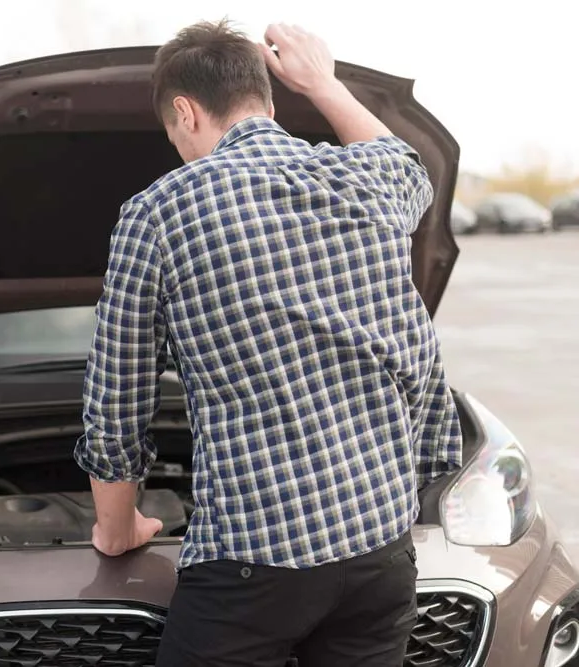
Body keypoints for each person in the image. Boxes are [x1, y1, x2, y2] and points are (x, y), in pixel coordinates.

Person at [72, 19, 464, 667]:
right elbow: (407, 165)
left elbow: (118, 393)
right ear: (269, 102)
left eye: (175, 135)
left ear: (184, 112)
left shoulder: (160, 211)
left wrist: (118, 527)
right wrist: (323, 83)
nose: (181, 150)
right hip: (382, 549)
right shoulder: (366, 178)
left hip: (253, 563)